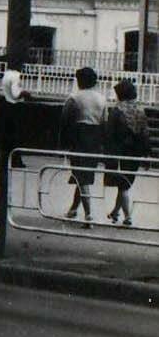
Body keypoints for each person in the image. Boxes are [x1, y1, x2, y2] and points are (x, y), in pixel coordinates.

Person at [60, 66, 106, 227]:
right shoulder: (102, 99)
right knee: (84, 175)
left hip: (79, 136)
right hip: (95, 137)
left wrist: (64, 143)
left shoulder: (74, 97)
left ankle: (89, 215)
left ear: (79, 81)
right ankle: (73, 209)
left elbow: (65, 119)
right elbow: (104, 120)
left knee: (81, 176)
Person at [103, 79, 147, 226]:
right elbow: (144, 134)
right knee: (125, 184)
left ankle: (128, 217)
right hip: (135, 153)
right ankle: (116, 212)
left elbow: (109, 134)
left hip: (120, 151)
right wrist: (146, 153)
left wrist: (108, 154)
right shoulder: (140, 110)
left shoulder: (116, 111)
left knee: (123, 185)